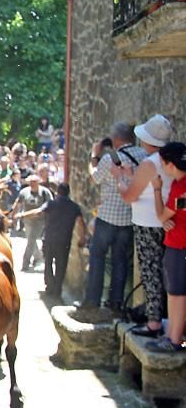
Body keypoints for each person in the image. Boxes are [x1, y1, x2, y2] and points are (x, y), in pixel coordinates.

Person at [118, 115, 175, 338]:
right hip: (165, 222)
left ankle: (153, 323)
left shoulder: (151, 163)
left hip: (147, 224)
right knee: (167, 272)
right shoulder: (169, 161)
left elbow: (130, 195)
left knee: (151, 273)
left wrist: (121, 179)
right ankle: (167, 319)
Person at [81, 122, 145, 313]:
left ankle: (93, 300)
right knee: (120, 260)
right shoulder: (144, 156)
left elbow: (95, 178)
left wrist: (94, 156)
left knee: (98, 256)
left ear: (116, 139)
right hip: (129, 218)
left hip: (107, 217)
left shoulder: (110, 158)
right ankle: (116, 302)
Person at [16, 183, 86, 299]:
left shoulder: (51, 204)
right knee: (61, 265)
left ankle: (49, 286)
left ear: (57, 192)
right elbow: (81, 223)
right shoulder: (74, 207)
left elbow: (38, 212)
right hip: (64, 241)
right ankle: (57, 289)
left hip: (49, 239)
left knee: (48, 263)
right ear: (68, 192)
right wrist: (82, 238)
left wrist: (22, 214)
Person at [148, 142, 186, 352]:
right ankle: (173, 335)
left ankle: (173, 339)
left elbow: (163, 214)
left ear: (169, 164)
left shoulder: (180, 188)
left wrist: (156, 189)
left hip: (179, 245)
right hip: (180, 243)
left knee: (176, 293)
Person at [9, 175, 54, 271]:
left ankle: (25, 263)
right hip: (27, 222)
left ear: (38, 182)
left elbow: (50, 206)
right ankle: (38, 258)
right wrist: (13, 216)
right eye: (31, 182)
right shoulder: (24, 192)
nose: (32, 184)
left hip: (40, 221)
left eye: (34, 182)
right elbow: (18, 204)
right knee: (31, 240)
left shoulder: (45, 192)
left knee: (31, 241)